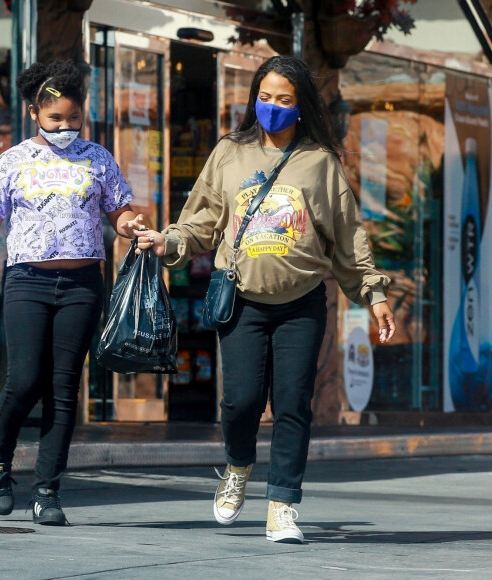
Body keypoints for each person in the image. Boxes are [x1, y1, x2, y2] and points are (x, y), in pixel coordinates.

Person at [135, 55, 396, 543]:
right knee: (240, 402)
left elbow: (347, 238)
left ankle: (282, 505)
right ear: (253, 98)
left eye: (284, 99)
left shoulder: (320, 162)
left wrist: (373, 293)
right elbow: (202, 220)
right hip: (243, 301)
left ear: (300, 106)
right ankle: (237, 466)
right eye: (265, 97)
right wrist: (168, 241)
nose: (272, 107)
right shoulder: (230, 153)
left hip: (302, 302)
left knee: (294, 403)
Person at [0, 60, 144, 525]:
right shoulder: (11, 162)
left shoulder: (97, 158)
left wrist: (131, 223)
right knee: (25, 377)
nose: (66, 127)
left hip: (82, 284)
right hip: (26, 282)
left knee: (63, 388)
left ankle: (48, 490)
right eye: (56, 119)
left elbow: (119, 211)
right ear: (35, 112)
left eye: (74, 119)